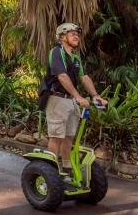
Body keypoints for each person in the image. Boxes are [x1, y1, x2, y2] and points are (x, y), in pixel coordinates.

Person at [46, 23, 107, 176]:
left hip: (71, 101)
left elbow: (84, 77)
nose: (76, 36)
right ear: (62, 37)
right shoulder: (57, 52)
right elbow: (62, 76)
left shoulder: (75, 57)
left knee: (69, 136)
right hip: (57, 99)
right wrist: (78, 96)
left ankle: (66, 167)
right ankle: (50, 171)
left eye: (77, 34)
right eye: (72, 33)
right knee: (56, 136)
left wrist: (95, 96)